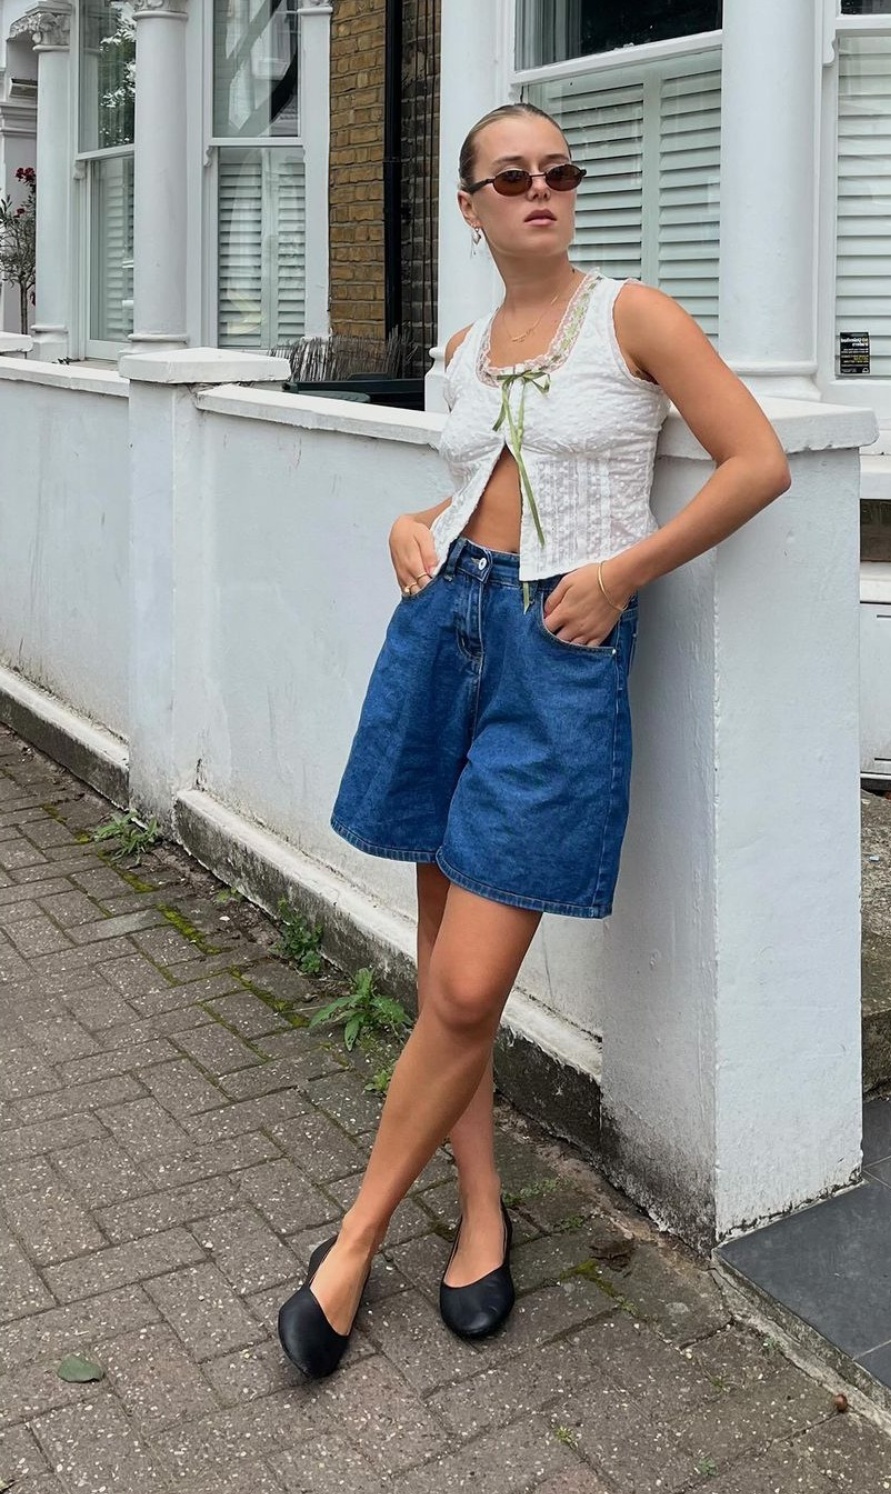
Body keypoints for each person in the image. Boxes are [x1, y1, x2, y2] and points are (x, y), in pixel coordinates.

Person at [277, 101, 790, 1379]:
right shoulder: (460, 348)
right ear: (470, 206)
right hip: (440, 638)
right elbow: (470, 487)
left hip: (559, 659)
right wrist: (410, 521)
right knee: (446, 958)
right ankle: (485, 1213)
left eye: (559, 171)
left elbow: (755, 463)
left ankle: (352, 1244)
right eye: (512, 177)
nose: (541, 191)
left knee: (462, 989)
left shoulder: (634, 317)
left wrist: (623, 573)